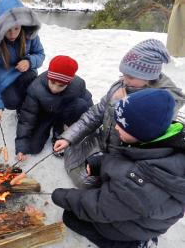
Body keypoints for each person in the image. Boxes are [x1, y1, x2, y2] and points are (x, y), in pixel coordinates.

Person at [52, 89, 185, 248]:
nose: (115, 127)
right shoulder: (154, 142)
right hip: (136, 205)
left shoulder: (142, 179)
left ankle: (137, 244)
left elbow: (101, 207)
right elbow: (125, 161)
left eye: (122, 125)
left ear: (141, 131)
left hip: (138, 223)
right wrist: (100, 163)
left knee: (72, 218)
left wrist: (61, 196)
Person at [53, 39, 185, 188]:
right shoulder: (121, 85)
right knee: (72, 155)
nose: (124, 80)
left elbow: (145, 145)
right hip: (104, 140)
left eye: (130, 77)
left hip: (126, 156)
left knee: (86, 181)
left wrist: (121, 103)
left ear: (149, 76)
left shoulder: (162, 104)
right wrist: (69, 137)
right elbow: (96, 113)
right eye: (123, 74)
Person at [15, 55, 93, 161]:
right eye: (52, 82)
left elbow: (89, 108)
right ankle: (47, 127)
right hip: (45, 113)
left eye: (61, 86)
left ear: (69, 83)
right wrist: (21, 146)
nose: (55, 89)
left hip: (64, 113)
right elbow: (27, 118)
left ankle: (59, 133)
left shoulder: (78, 84)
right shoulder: (36, 88)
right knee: (33, 148)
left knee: (81, 104)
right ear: (48, 77)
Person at [0, 0, 45, 121]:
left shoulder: (30, 36)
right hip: (6, 82)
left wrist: (29, 61)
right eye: (8, 30)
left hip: (25, 75)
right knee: (11, 101)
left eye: (16, 28)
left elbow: (40, 54)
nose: (12, 34)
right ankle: (19, 106)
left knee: (32, 83)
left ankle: (27, 108)